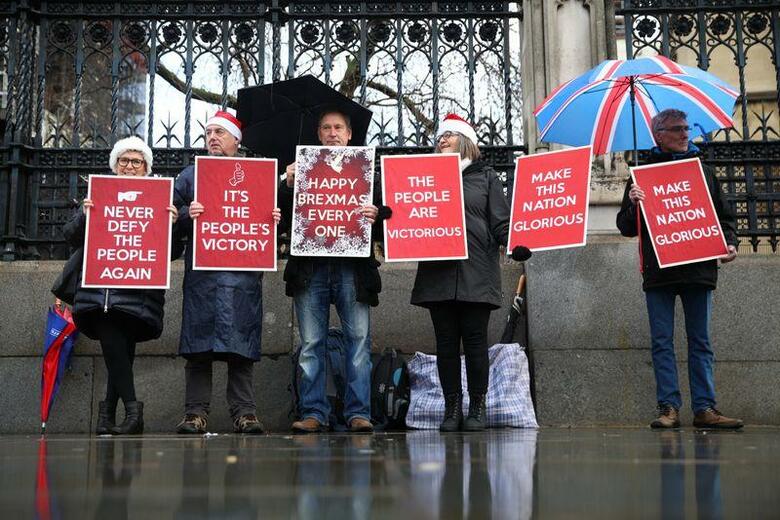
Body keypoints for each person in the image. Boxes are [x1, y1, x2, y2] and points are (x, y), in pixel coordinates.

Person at [616, 108, 742, 430]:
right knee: (662, 342)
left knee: (700, 341)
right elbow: (626, 227)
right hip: (659, 273)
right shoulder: (641, 175)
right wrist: (633, 202)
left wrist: (729, 242)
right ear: (659, 135)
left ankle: (705, 408)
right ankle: (669, 407)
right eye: (677, 129)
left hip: (698, 268)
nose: (686, 134)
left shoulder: (704, 171)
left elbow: (725, 217)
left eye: (687, 128)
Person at [408, 114, 529, 432]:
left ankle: (477, 407)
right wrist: (393, 216)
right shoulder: (426, 177)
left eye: (448, 135)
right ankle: (451, 409)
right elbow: (411, 213)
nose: (441, 140)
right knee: (446, 343)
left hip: (477, 272)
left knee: (475, 342)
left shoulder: (486, 177)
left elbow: (500, 221)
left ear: (465, 141)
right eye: (439, 137)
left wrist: (514, 244)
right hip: (439, 273)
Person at [279, 108, 388, 433]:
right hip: (310, 269)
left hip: (353, 271)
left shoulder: (366, 172)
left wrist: (377, 214)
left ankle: (359, 413)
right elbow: (279, 217)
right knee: (312, 344)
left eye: (338, 127)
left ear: (349, 133)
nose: (332, 132)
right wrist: (287, 184)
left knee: (358, 341)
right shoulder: (302, 170)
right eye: (325, 127)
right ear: (319, 133)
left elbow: (390, 219)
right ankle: (313, 412)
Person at [173, 110, 281, 435]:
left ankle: (245, 413)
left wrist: (273, 216)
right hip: (203, 276)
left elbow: (275, 220)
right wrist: (183, 213)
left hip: (242, 275)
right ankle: (195, 413)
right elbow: (163, 211)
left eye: (220, 132)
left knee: (241, 346)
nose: (213, 138)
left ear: (236, 139)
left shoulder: (257, 174)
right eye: (209, 133)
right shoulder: (191, 175)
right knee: (198, 346)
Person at [63, 135, 177, 435]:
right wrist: (86, 216)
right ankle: (132, 410)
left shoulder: (160, 200)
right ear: (115, 166)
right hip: (99, 291)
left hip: (138, 291)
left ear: (146, 168)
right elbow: (71, 236)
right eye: (124, 161)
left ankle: (106, 416)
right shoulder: (97, 195)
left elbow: (172, 252)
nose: (129, 166)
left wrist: (172, 226)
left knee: (120, 350)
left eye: (136, 162)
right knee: (114, 341)